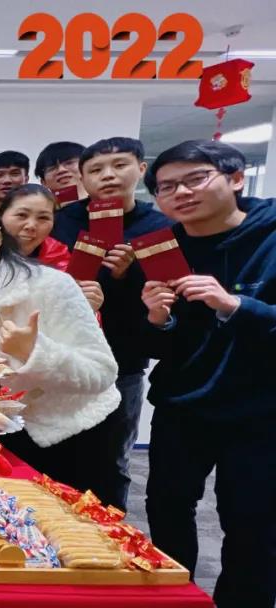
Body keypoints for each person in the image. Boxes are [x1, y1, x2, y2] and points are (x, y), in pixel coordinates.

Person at [140, 140, 276, 608]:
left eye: (195, 179)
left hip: (260, 413)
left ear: (236, 178)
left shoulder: (270, 238)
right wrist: (158, 319)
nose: (181, 193)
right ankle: (175, 600)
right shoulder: (160, 248)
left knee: (252, 524)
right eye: (166, 187)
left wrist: (235, 305)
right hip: (182, 406)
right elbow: (159, 347)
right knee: (166, 510)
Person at [0, 200, 120, 501]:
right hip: (11, 434)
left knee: (81, 522)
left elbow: (101, 371)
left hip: (76, 431)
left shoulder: (51, 285)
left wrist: (34, 351)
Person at [50, 136, 172, 510]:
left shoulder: (159, 226)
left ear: (141, 169)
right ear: (82, 178)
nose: (108, 176)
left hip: (122, 365)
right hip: (64, 362)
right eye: (96, 169)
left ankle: (112, 534)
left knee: (111, 463)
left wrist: (129, 274)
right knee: (57, 458)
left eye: (120, 165)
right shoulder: (62, 221)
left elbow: (169, 298)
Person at [0, 184, 103, 311]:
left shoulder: (60, 262)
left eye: (43, 218)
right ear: (0, 216)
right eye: (21, 215)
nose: (31, 226)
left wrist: (86, 308)